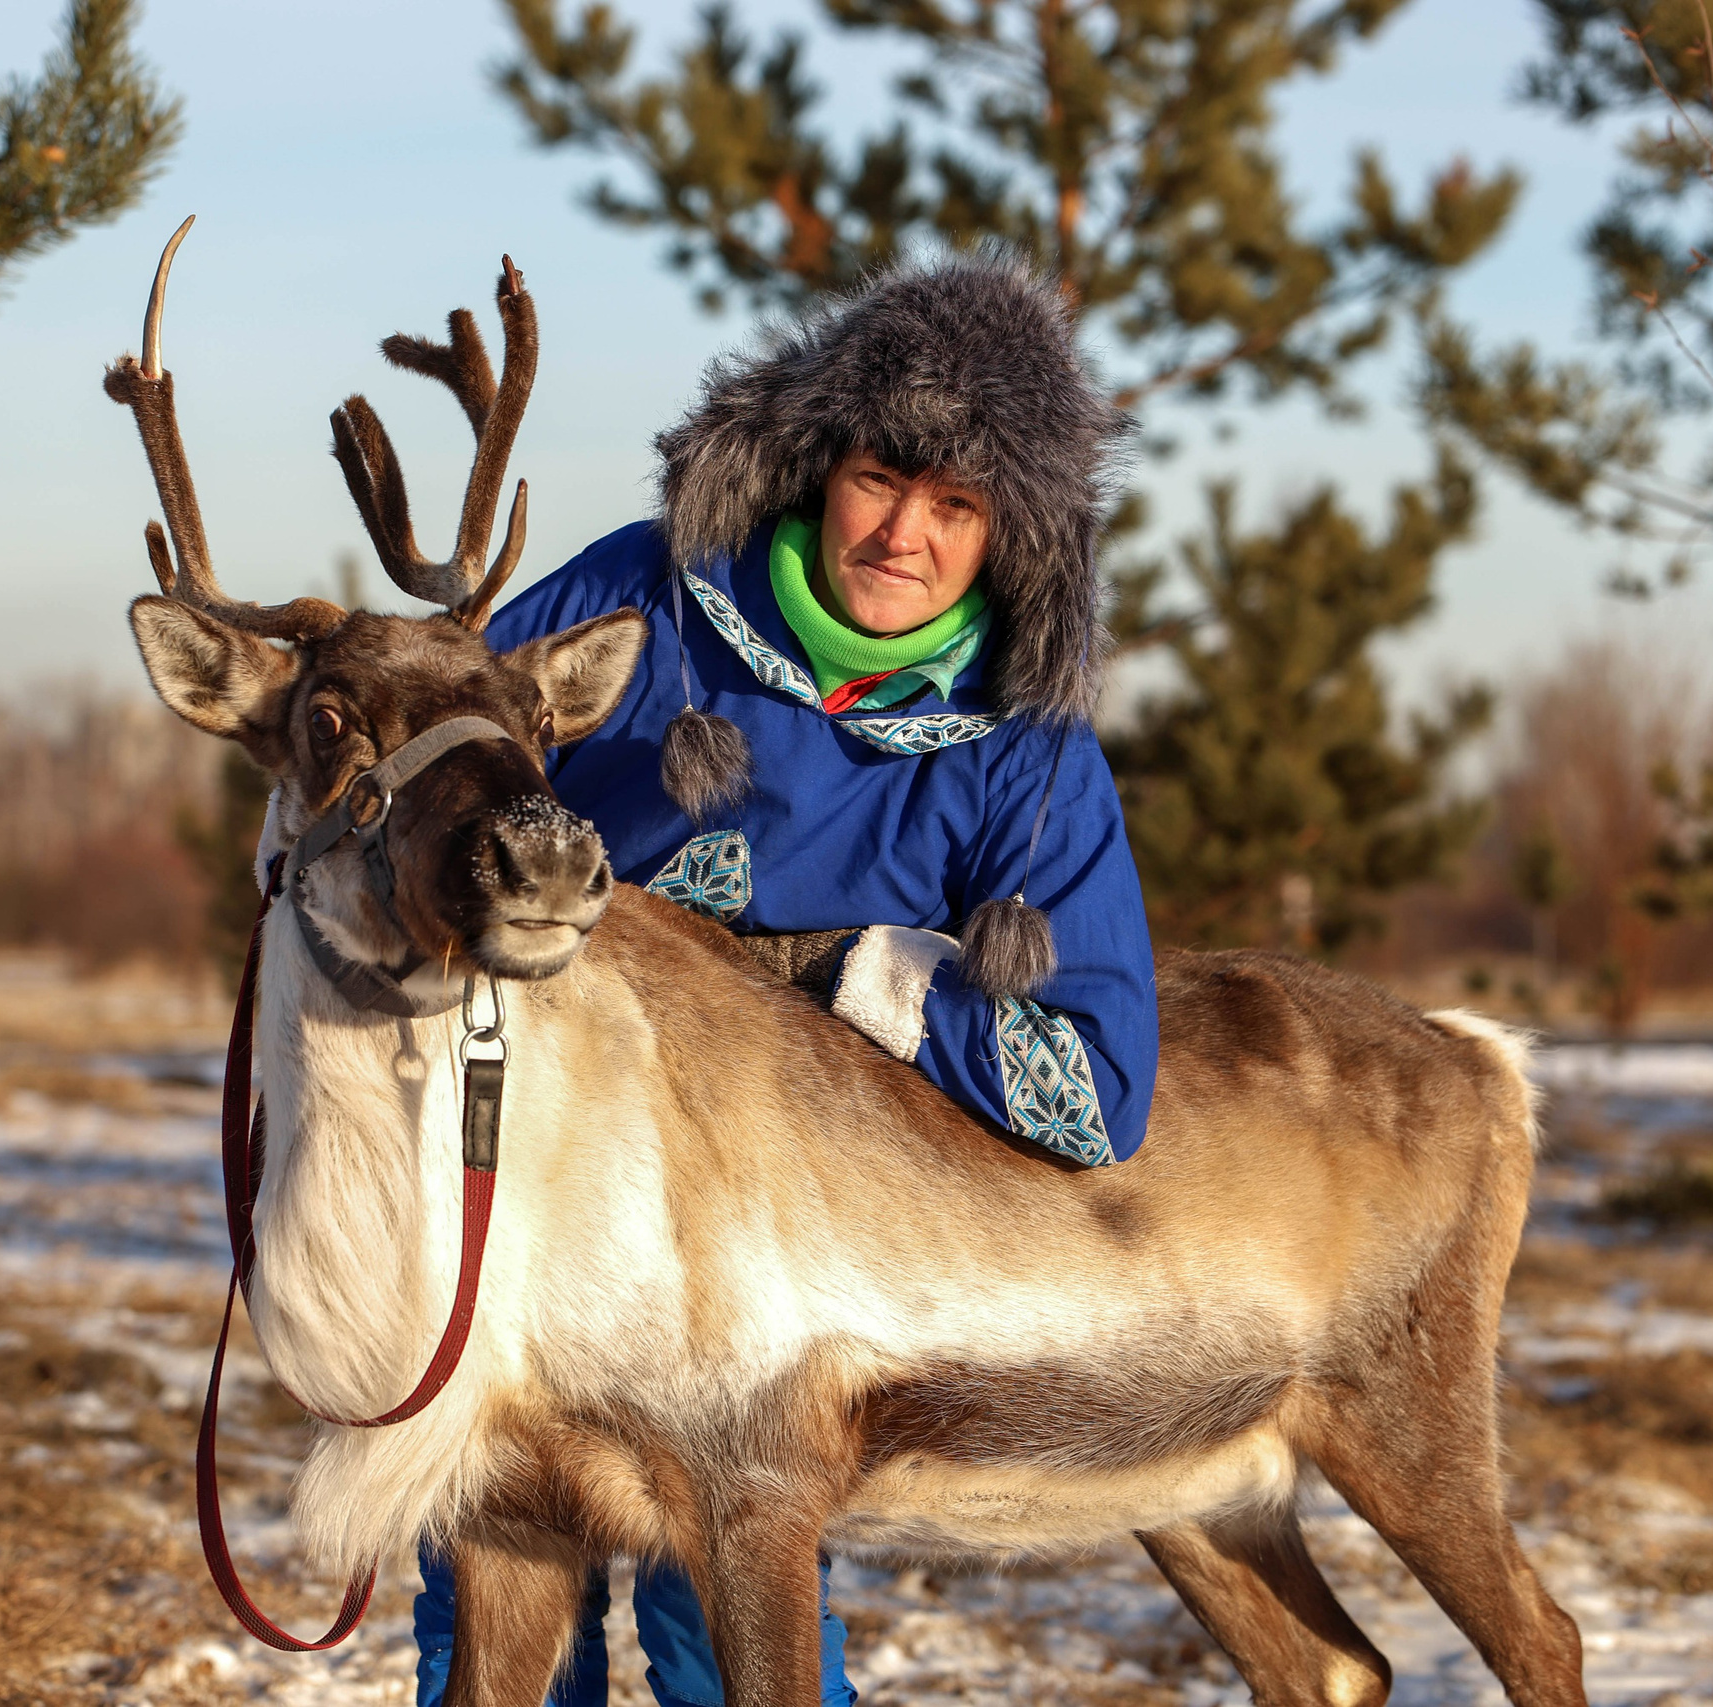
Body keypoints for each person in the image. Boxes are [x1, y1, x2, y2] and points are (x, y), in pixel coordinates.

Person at [413, 252, 1159, 1706]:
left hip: (757, 1270)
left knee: (726, 1642)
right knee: (496, 1627)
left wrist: (837, 968)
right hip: (519, 1189)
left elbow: (1098, 1094)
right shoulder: (647, 595)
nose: (905, 536)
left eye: (958, 508)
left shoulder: (1027, 752)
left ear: (1011, 535)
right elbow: (443, 753)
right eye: (886, 480)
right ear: (822, 463)